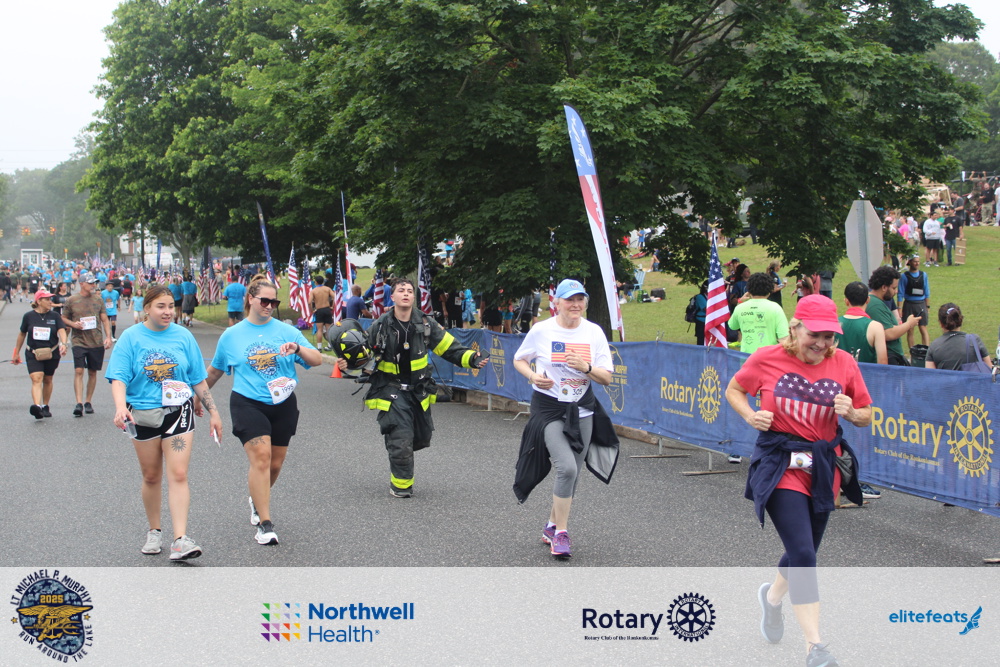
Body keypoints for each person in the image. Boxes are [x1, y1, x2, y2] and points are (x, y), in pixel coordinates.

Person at [725, 295, 872, 667]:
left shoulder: (844, 363)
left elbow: (867, 413)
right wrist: (750, 415)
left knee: (803, 551)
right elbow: (734, 389)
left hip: (822, 467)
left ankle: (772, 599)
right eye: (814, 335)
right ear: (794, 328)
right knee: (804, 554)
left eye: (829, 336)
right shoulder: (767, 358)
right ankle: (815, 647)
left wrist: (852, 413)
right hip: (779, 463)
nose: (822, 344)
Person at [336, 278, 487, 498]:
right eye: (401, 290)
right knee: (401, 439)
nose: (406, 293)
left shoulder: (426, 324)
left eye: (409, 291)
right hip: (391, 391)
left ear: (413, 297)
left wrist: (472, 358)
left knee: (420, 437)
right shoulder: (380, 325)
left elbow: (449, 348)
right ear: (393, 297)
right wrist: (347, 364)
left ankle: (400, 451)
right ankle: (401, 486)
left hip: (418, 391)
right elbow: (363, 355)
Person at [105, 285, 223, 561]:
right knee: (151, 475)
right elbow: (119, 377)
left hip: (178, 411)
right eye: (161, 306)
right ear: (146, 308)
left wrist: (214, 411)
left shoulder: (183, 336)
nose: (168, 311)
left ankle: (180, 540)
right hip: (142, 414)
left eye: (171, 306)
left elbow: (197, 378)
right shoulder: (131, 337)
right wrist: (120, 407)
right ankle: (154, 530)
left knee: (179, 474)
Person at [207, 279, 322, 545]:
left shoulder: (286, 331)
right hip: (247, 402)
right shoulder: (232, 335)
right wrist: (197, 399)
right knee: (261, 458)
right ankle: (265, 524)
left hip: (283, 403)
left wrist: (298, 348)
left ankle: (256, 497)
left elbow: (316, 360)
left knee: (275, 464)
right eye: (265, 301)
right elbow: (214, 371)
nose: (270, 306)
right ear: (250, 299)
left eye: (274, 302)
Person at [512, 279, 620, 558]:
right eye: (569, 299)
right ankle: (561, 533)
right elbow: (519, 359)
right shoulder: (542, 330)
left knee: (574, 474)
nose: (575, 305)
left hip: (582, 410)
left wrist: (586, 367)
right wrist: (533, 376)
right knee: (567, 469)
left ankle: (551, 525)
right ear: (556, 303)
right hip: (549, 409)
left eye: (580, 299)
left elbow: (606, 377)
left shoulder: (593, 332)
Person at [62, 275, 114, 417]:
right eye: (90, 283)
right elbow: (64, 318)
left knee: (92, 372)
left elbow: (104, 319)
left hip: (95, 341)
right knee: (79, 370)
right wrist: (73, 324)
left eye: (94, 283)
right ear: (82, 283)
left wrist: (108, 337)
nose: (93, 285)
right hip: (79, 340)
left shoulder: (98, 299)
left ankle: (88, 401)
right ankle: (78, 403)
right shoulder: (72, 300)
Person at [11, 290, 68, 419]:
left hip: (51, 352)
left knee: (47, 379)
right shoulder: (28, 316)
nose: (50, 302)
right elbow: (22, 334)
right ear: (39, 301)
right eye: (47, 299)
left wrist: (64, 343)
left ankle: (45, 405)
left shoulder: (55, 316)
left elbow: (61, 330)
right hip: (33, 352)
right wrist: (16, 352)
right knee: (37, 377)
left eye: (50, 299)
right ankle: (37, 407)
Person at [866, 266, 919, 366]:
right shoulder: (875, 305)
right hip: (889, 358)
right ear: (884, 287)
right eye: (894, 288)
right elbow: (888, 333)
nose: (896, 291)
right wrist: (909, 324)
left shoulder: (877, 302)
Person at [730, 272, 790, 355]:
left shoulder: (740, 307)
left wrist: (739, 302)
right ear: (769, 291)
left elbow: (733, 325)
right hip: (768, 357)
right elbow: (784, 337)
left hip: (746, 357)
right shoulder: (776, 308)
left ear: (749, 290)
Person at [925, 304, 993, 371]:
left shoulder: (934, 346)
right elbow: (989, 369)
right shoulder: (974, 340)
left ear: (941, 323)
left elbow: (930, 375)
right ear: (961, 320)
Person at [836, 282, 888, 365]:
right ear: (868, 300)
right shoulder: (876, 327)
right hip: (866, 373)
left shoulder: (835, 324)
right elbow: (882, 361)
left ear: (846, 301)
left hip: (840, 372)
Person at [897, 256, 930, 349]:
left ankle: (926, 351)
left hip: (921, 303)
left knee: (923, 328)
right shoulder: (904, 276)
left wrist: (927, 306)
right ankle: (912, 352)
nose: (917, 263)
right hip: (909, 304)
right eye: (915, 261)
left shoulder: (923, 275)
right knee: (910, 329)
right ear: (910, 262)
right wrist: (899, 308)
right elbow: (900, 293)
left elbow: (927, 291)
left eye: (918, 261)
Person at [309, 275, 335, 350]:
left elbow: (309, 302)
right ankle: (330, 345)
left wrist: (312, 310)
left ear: (316, 282)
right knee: (328, 329)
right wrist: (332, 306)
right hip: (327, 309)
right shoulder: (327, 289)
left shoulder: (314, 291)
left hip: (319, 310)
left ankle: (319, 347)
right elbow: (335, 297)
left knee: (319, 330)